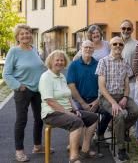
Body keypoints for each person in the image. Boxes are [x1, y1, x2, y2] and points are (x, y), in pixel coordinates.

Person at [39, 50, 98, 163]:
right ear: (51, 61)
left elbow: (69, 96)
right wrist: (67, 112)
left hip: (67, 111)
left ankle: (85, 150)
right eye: (57, 60)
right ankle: (73, 157)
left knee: (93, 117)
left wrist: (75, 109)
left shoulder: (61, 76)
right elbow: (50, 101)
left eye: (62, 60)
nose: (60, 62)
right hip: (51, 113)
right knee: (76, 121)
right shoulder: (46, 77)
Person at [2, 24, 46, 162]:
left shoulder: (34, 50)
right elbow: (6, 74)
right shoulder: (13, 51)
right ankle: (19, 151)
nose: (25, 35)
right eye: (22, 34)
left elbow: (40, 68)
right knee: (22, 120)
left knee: (40, 118)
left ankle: (37, 146)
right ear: (17, 37)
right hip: (23, 91)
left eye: (27, 33)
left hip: (38, 90)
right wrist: (18, 86)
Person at [96, 36, 138, 161]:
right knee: (120, 115)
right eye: (115, 44)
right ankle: (121, 149)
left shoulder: (125, 63)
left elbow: (127, 85)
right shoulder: (103, 61)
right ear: (110, 46)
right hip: (106, 98)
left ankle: (120, 129)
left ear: (123, 47)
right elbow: (101, 86)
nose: (117, 46)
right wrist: (113, 103)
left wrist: (126, 97)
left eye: (120, 44)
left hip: (121, 96)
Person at [67, 40, 110, 143]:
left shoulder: (99, 64)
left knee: (110, 111)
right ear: (81, 49)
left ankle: (99, 134)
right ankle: (76, 142)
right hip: (78, 100)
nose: (88, 49)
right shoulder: (74, 65)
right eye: (85, 47)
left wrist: (97, 102)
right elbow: (71, 86)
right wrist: (83, 103)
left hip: (96, 100)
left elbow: (104, 85)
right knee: (76, 116)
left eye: (90, 47)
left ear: (93, 50)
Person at [120, 19, 138, 99]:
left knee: (131, 107)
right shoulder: (114, 43)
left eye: (128, 29)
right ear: (120, 29)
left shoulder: (137, 45)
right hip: (116, 83)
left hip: (131, 83)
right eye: (123, 28)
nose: (126, 31)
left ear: (132, 30)